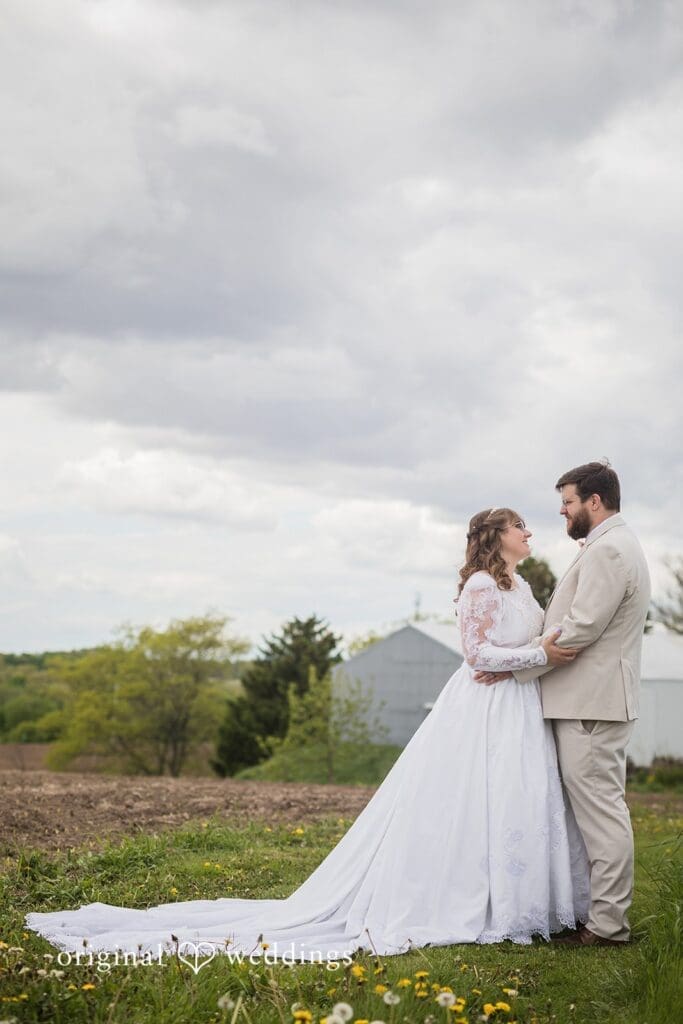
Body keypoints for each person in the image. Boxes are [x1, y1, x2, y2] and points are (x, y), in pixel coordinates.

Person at [25, 507, 589, 964]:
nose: (530, 532)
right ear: (496, 536)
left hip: (517, 706)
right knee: (468, 802)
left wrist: (534, 654)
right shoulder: (482, 586)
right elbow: (476, 655)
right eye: (520, 526)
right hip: (481, 711)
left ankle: (518, 902)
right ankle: (465, 899)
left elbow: (524, 644)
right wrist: (533, 654)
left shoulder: (522, 585)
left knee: (515, 800)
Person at [475, 463, 650, 947]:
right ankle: (592, 911)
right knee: (591, 812)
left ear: (595, 502)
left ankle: (608, 926)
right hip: (588, 699)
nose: (561, 510)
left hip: (592, 703)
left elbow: (581, 628)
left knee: (601, 812)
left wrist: (517, 668)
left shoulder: (610, 550)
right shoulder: (608, 546)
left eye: (568, 501)